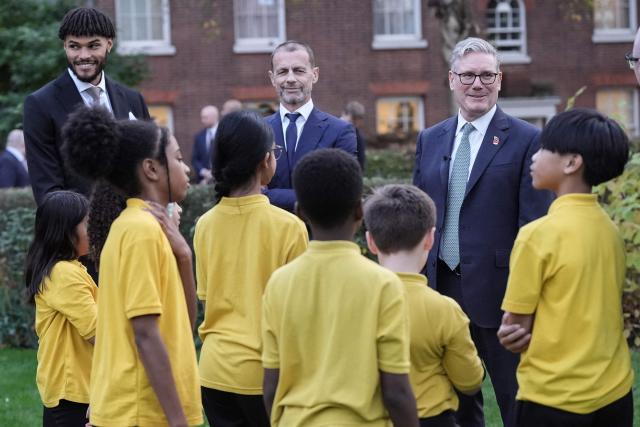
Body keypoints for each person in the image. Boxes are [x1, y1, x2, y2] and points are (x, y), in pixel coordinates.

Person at [412, 37, 552, 427]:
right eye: (469, 75)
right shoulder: (430, 139)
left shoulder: (527, 139)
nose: (478, 84)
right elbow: (418, 216)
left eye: (487, 75)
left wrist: (524, 301)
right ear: (452, 80)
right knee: (451, 402)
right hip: (440, 291)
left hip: (501, 295)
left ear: (500, 80)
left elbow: (534, 227)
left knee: (514, 400)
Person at [61, 106, 202, 427]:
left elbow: (183, 325)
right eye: (178, 158)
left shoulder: (145, 227)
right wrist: (178, 421)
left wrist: (184, 256)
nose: (187, 168)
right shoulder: (140, 231)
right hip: (141, 413)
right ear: (151, 169)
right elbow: (146, 334)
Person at [262, 149, 419, 427]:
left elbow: (272, 384)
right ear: (361, 210)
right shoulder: (383, 284)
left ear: (300, 213)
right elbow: (396, 391)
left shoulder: (278, 283)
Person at [497, 109, 634, 427]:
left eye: (543, 148)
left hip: (553, 400)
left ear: (572, 163)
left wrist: (508, 334)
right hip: (615, 395)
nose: (534, 157)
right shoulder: (610, 230)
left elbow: (515, 328)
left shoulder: (537, 235)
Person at [194, 110, 308, 426]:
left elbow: (207, 300)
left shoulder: (204, 225)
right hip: (268, 376)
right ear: (264, 161)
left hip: (213, 371)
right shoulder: (290, 227)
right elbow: (297, 315)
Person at [364, 184, 484, 427]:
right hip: (432, 418)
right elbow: (469, 382)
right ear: (430, 239)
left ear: (371, 241)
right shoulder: (445, 309)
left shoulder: (355, 301)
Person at [23, 6, 150, 206]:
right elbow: (48, 191)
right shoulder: (40, 105)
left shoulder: (133, 99)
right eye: (74, 46)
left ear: (109, 44)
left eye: (93, 46)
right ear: (65, 46)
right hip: (80, 231)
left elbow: (152, 167)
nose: (83, 55)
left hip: (138, 226)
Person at [25, 191, 96, 426]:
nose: (93, 227)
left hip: (70, 391)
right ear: (66, 231)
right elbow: (99, 333)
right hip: (74, 394)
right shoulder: (64, 273)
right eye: (87, 222)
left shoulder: (67, 269)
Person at [264, 40, 357, 211]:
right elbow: (246, 191)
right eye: (283, 72)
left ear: (314, 75)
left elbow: (344, 192)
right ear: (272, 78)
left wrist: (268, 196)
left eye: (299, 71)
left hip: (317, 235)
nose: (290, 79)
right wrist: (313, 196)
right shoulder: (257, 131)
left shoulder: (340, 132)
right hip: (268, 235)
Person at [192, 105, 219, 184]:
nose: (202, 120)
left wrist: (214, 173)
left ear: (214, 117)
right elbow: (195, 159)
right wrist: (204, 172)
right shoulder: (199, 136)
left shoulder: (224, 133)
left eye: (205, 117)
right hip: (204, 181)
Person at [341, 100, 367, 169]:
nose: (355, 123)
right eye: (353, 119)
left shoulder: (358, 137)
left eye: (358, 120)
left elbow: (360, 161)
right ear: (344, 114)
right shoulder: (331, 129)